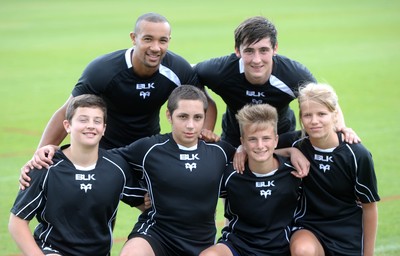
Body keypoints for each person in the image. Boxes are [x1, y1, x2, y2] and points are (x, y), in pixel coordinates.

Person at [20, 12, 218, 187]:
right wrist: (38, 154)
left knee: (156, 204)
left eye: (163, 40)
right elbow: (68, 110)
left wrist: (204, 133)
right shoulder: (103, 70)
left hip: (146, 147)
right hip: (104, 148)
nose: (155, 48)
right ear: (134, 38)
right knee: (103, 204)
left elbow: (206, 103)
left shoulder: (178, 68)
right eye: (148, 39)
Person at [8, 94, 146, 256]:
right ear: (67, 126)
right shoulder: (45, 166)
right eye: (83, 120)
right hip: (52, 251)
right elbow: (17, 222)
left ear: (104, 129)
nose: (90, 126)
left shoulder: (116, 167)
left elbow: (146, 205)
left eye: (97, 121)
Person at [108, 85, 236, 256]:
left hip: (201, 243)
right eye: (183, 117)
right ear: (169, 115)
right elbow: (105, 161)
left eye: (197, 117)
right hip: (156, 235)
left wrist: (241, 151)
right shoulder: (150, 148)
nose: (190, 125)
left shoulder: (220, 151)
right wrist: (137, 195)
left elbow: (258, 160)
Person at [194, 16, 358, 148]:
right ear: (237, 50)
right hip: (234, 138)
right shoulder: (220, 71)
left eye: (264, 50)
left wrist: (342, 127)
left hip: (281, 139)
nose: (257, 60)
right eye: (249, 51)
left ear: (275, 49)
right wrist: (206, 123)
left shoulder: (293, 74)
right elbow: (190, 73)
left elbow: (323, 100)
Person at [278, 82, 380, 256]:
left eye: (321, 114)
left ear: (334, 115)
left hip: (347, 232)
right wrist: (291, 151)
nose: (314, 121)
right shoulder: (297, 143)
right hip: (308, 226)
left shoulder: (356, 154)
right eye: (307, 115)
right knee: (303, 251)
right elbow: (260, 148)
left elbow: (369, 207)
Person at [200, 103, 302, 256]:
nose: (260, 145)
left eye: (266, 138)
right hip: (239, 245)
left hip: (281, 247)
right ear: (243, 142)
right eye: (252, 139)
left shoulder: (293, 172)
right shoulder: (230, 173)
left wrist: (292, 150)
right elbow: (194, 189)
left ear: (276, 140)